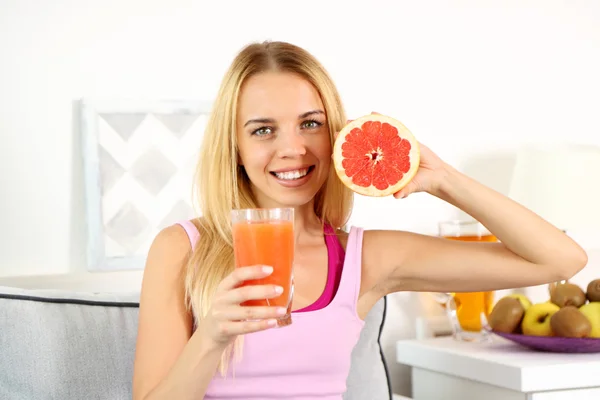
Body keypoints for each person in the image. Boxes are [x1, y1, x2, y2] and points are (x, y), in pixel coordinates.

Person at [132, 41, 587, 400]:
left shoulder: (365, 258)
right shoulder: (181, 249)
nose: (292, 148)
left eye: (310, 123)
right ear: (234, 146)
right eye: (263, 129)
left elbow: (560, 261)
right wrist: (211, 336)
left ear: (336, 135)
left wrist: (445, 179)